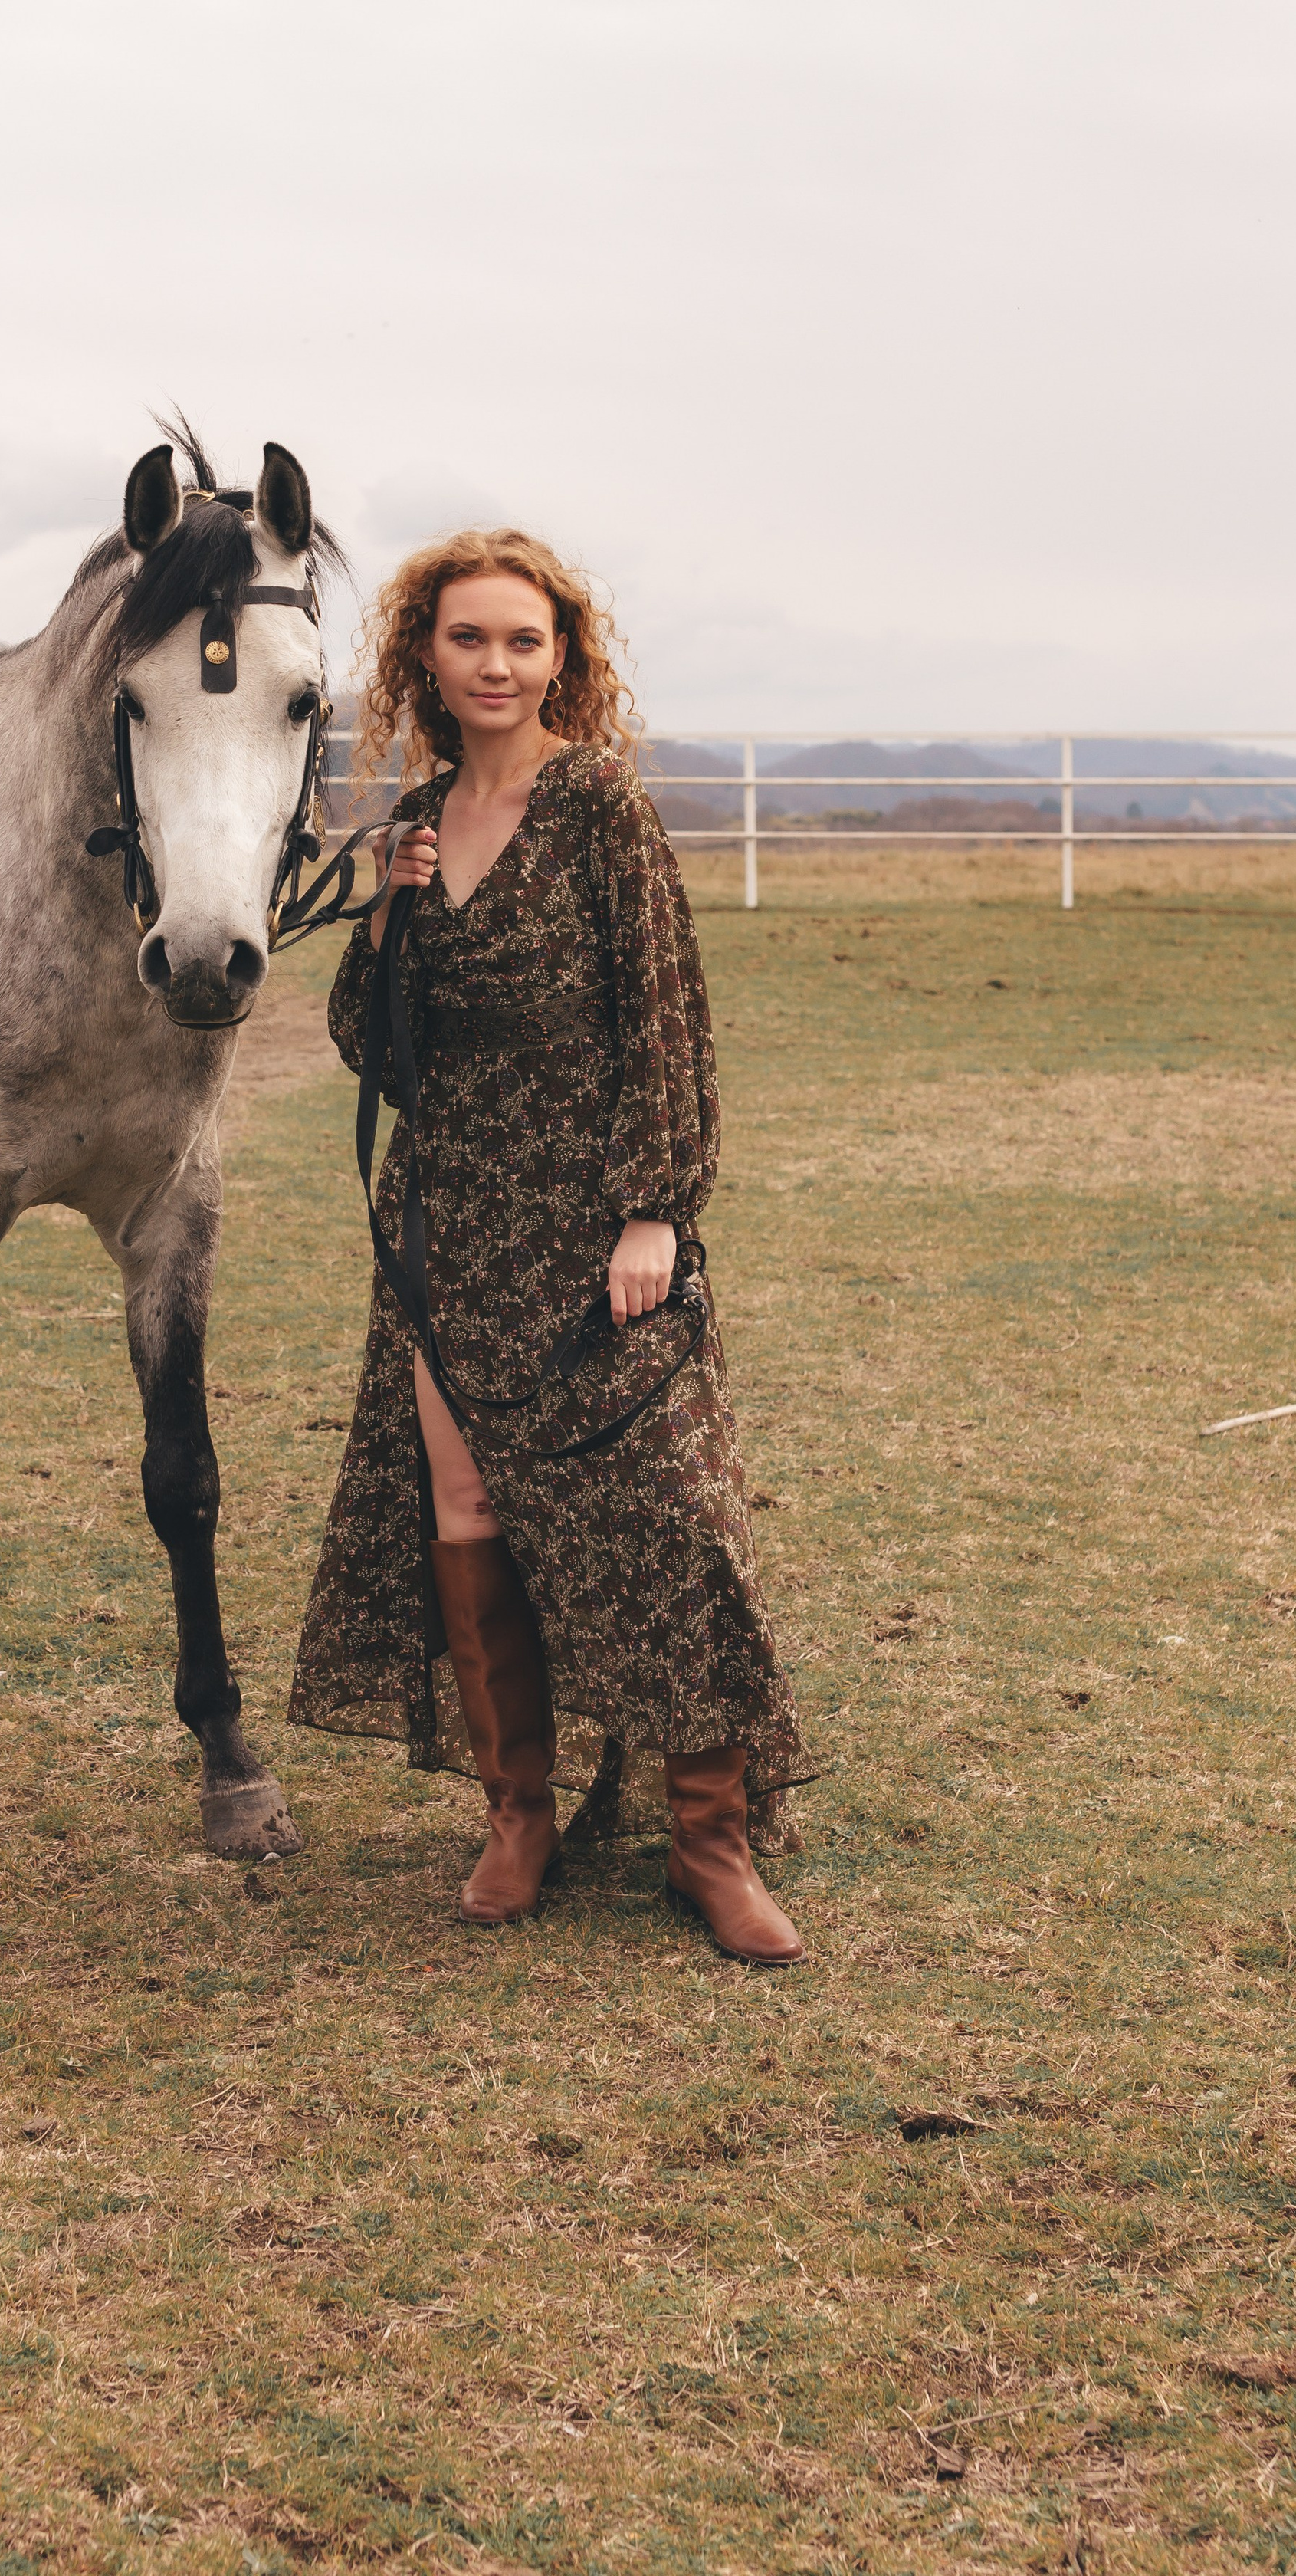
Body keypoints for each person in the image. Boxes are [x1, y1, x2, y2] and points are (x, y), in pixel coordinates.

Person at [287, 529, 813, 1964]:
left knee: (672, 1516)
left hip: (592, 1221)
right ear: (428, 661)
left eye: (526, 641)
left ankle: (712, 1843)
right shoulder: (418, 818)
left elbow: (667, 1013)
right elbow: (369, 1049)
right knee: (469, 1513)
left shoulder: (600, 809)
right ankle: (517, 1813)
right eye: (471, 640)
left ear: (562, 657)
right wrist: (388, 911)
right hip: (449, 1216)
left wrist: (657, 1208)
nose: (499, 665)